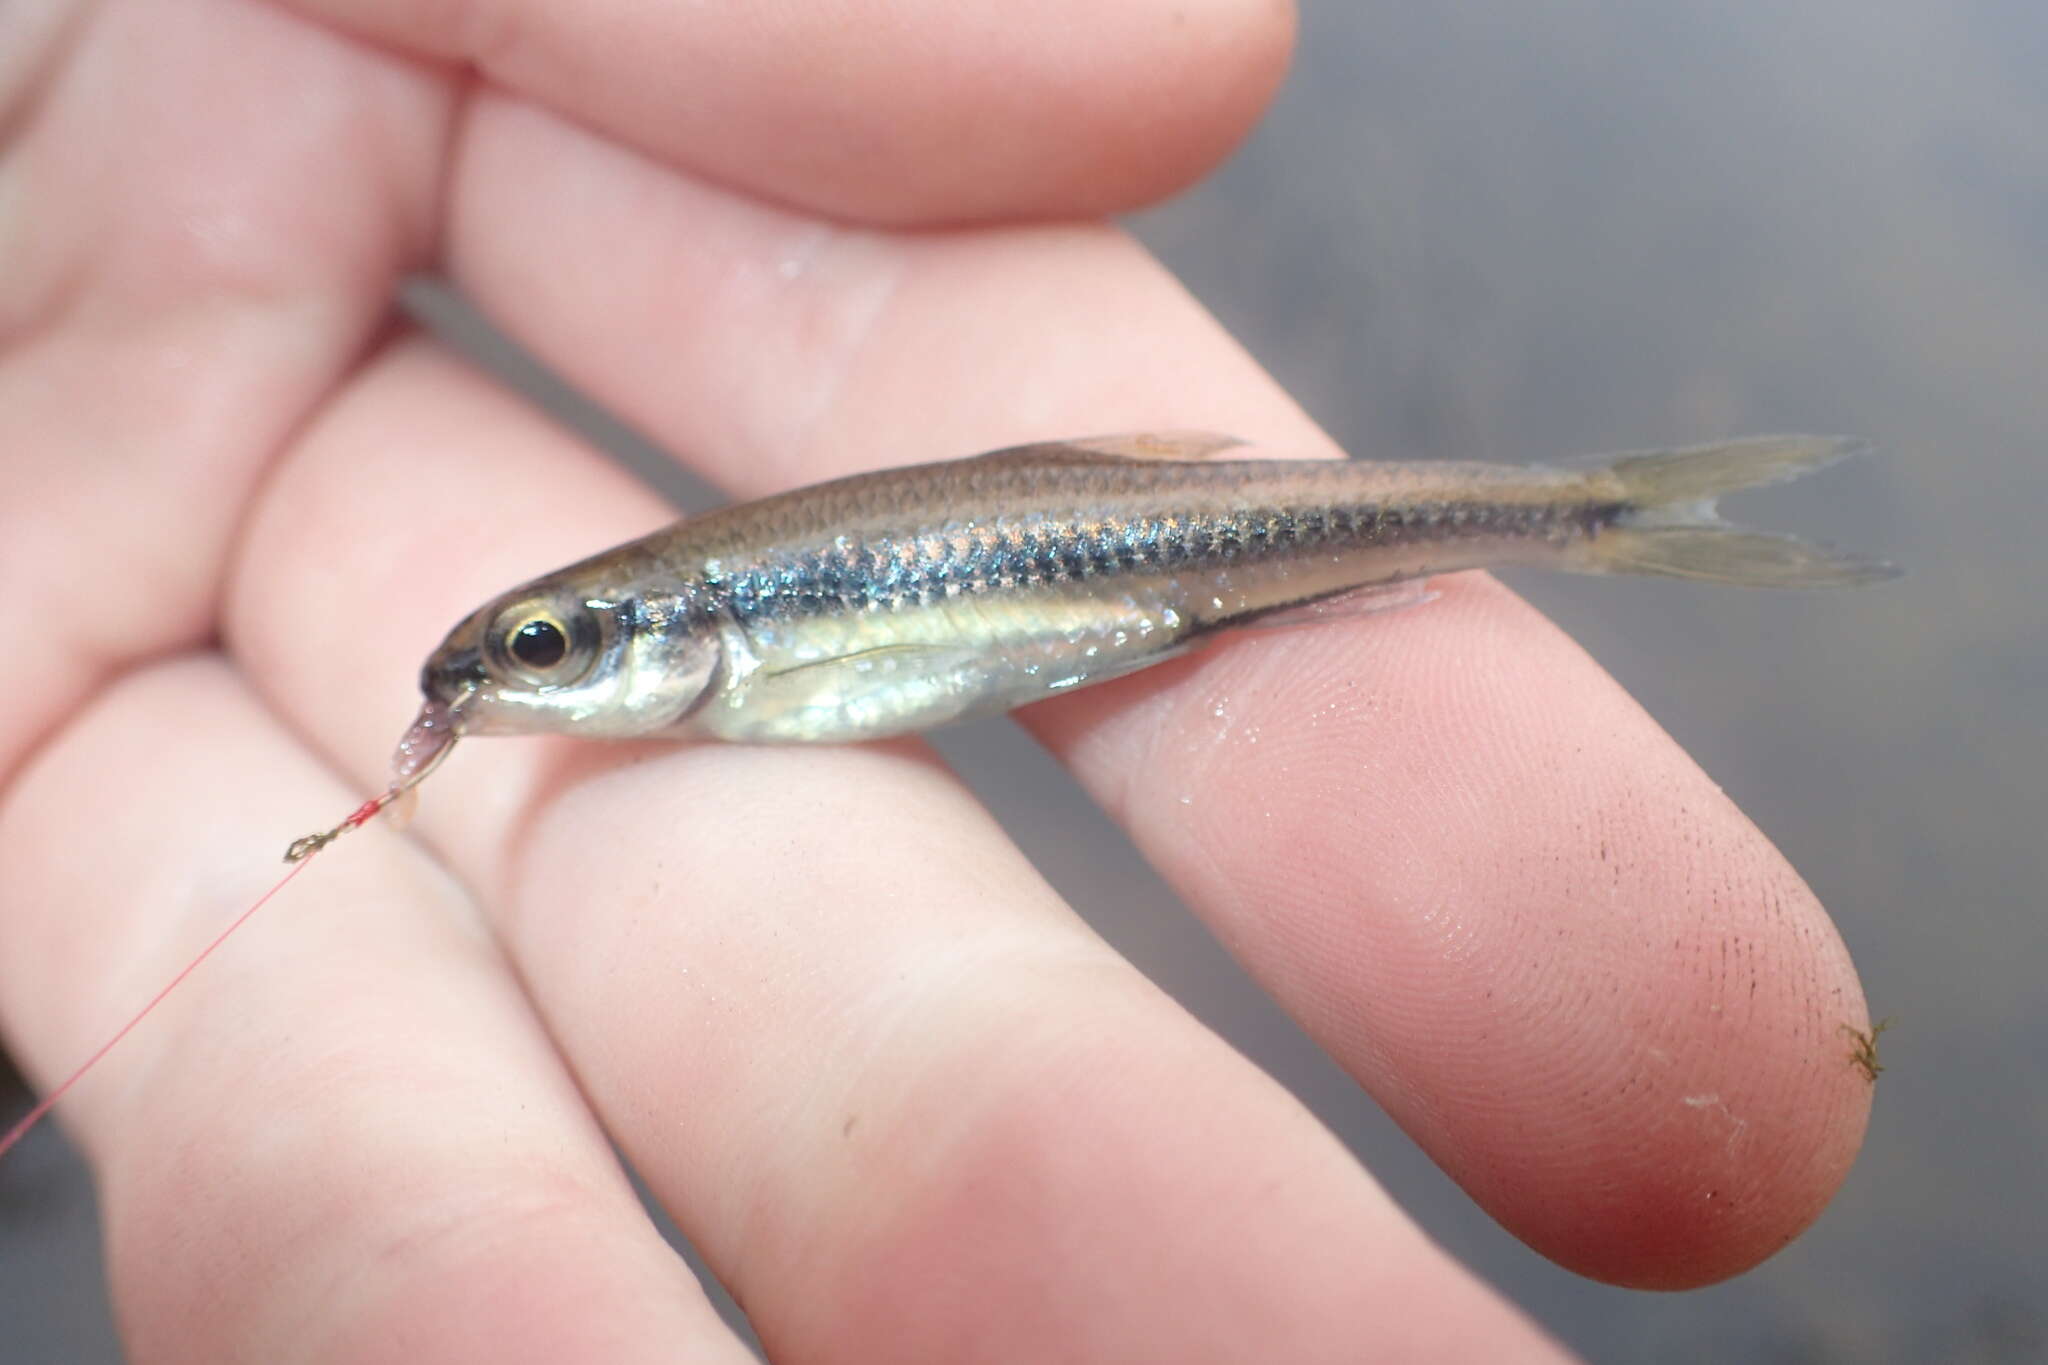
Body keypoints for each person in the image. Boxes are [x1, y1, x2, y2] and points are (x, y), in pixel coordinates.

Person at [0, 1, 1873, 1358]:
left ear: (665, 634)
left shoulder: (737, 631)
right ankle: (1598, 509)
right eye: (519, 660)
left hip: (1142, 559)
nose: (518, 682)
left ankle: (1587, 509)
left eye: (544, 652)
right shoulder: (713, 643)